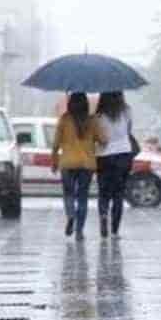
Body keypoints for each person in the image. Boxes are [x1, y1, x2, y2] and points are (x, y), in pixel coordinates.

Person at [52, 92, 107, 241]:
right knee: (82, 198)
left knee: (68, 195)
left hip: (67, 163)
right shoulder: (92, 121)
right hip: (86, 164)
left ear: (70, 104)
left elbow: (56, 143)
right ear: (86, 104)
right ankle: (79, 232)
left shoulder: (64, 119)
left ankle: (70, 215)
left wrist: (54, 161)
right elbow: (103, 140)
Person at [95, 91, 135, 238]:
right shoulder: (126, 111)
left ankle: (103, 214)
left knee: (103, 192)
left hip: (103, 156)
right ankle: (114, 231)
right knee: (118, 194)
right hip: (123, 154)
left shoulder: (99, 116)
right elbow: (129, 130)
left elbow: (97, 137)